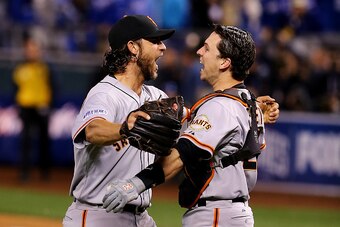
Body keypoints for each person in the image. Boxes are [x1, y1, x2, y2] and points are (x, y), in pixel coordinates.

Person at [102, 24, 278, 227]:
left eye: (207, 48)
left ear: (224, 63)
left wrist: (134, 185)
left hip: (216, 215)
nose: (199, 52)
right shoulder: (249, 102)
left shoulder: (221, 106)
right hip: (232, 212)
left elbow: (182, 154)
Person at [62, 15, 176, 227]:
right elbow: (93, 130)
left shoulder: (156, 98)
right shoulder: (105, 93)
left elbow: (195, 122)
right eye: (155, 41)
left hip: (141, 217)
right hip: (98, 214)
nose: (163, 48)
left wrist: (244, 106)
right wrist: (125, 127)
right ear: (133, 48)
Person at [12, 37, 53, 182]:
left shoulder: (45, 67)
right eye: (29, 50)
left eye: (34, 50)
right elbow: (15, 88)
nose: (32, 53)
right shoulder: (20, 68)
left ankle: (45, 172)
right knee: (26, 141)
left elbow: (52, 86)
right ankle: (24, 172)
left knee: (44, 141)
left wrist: (49, 104)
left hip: (41, 107)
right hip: (26, 107)